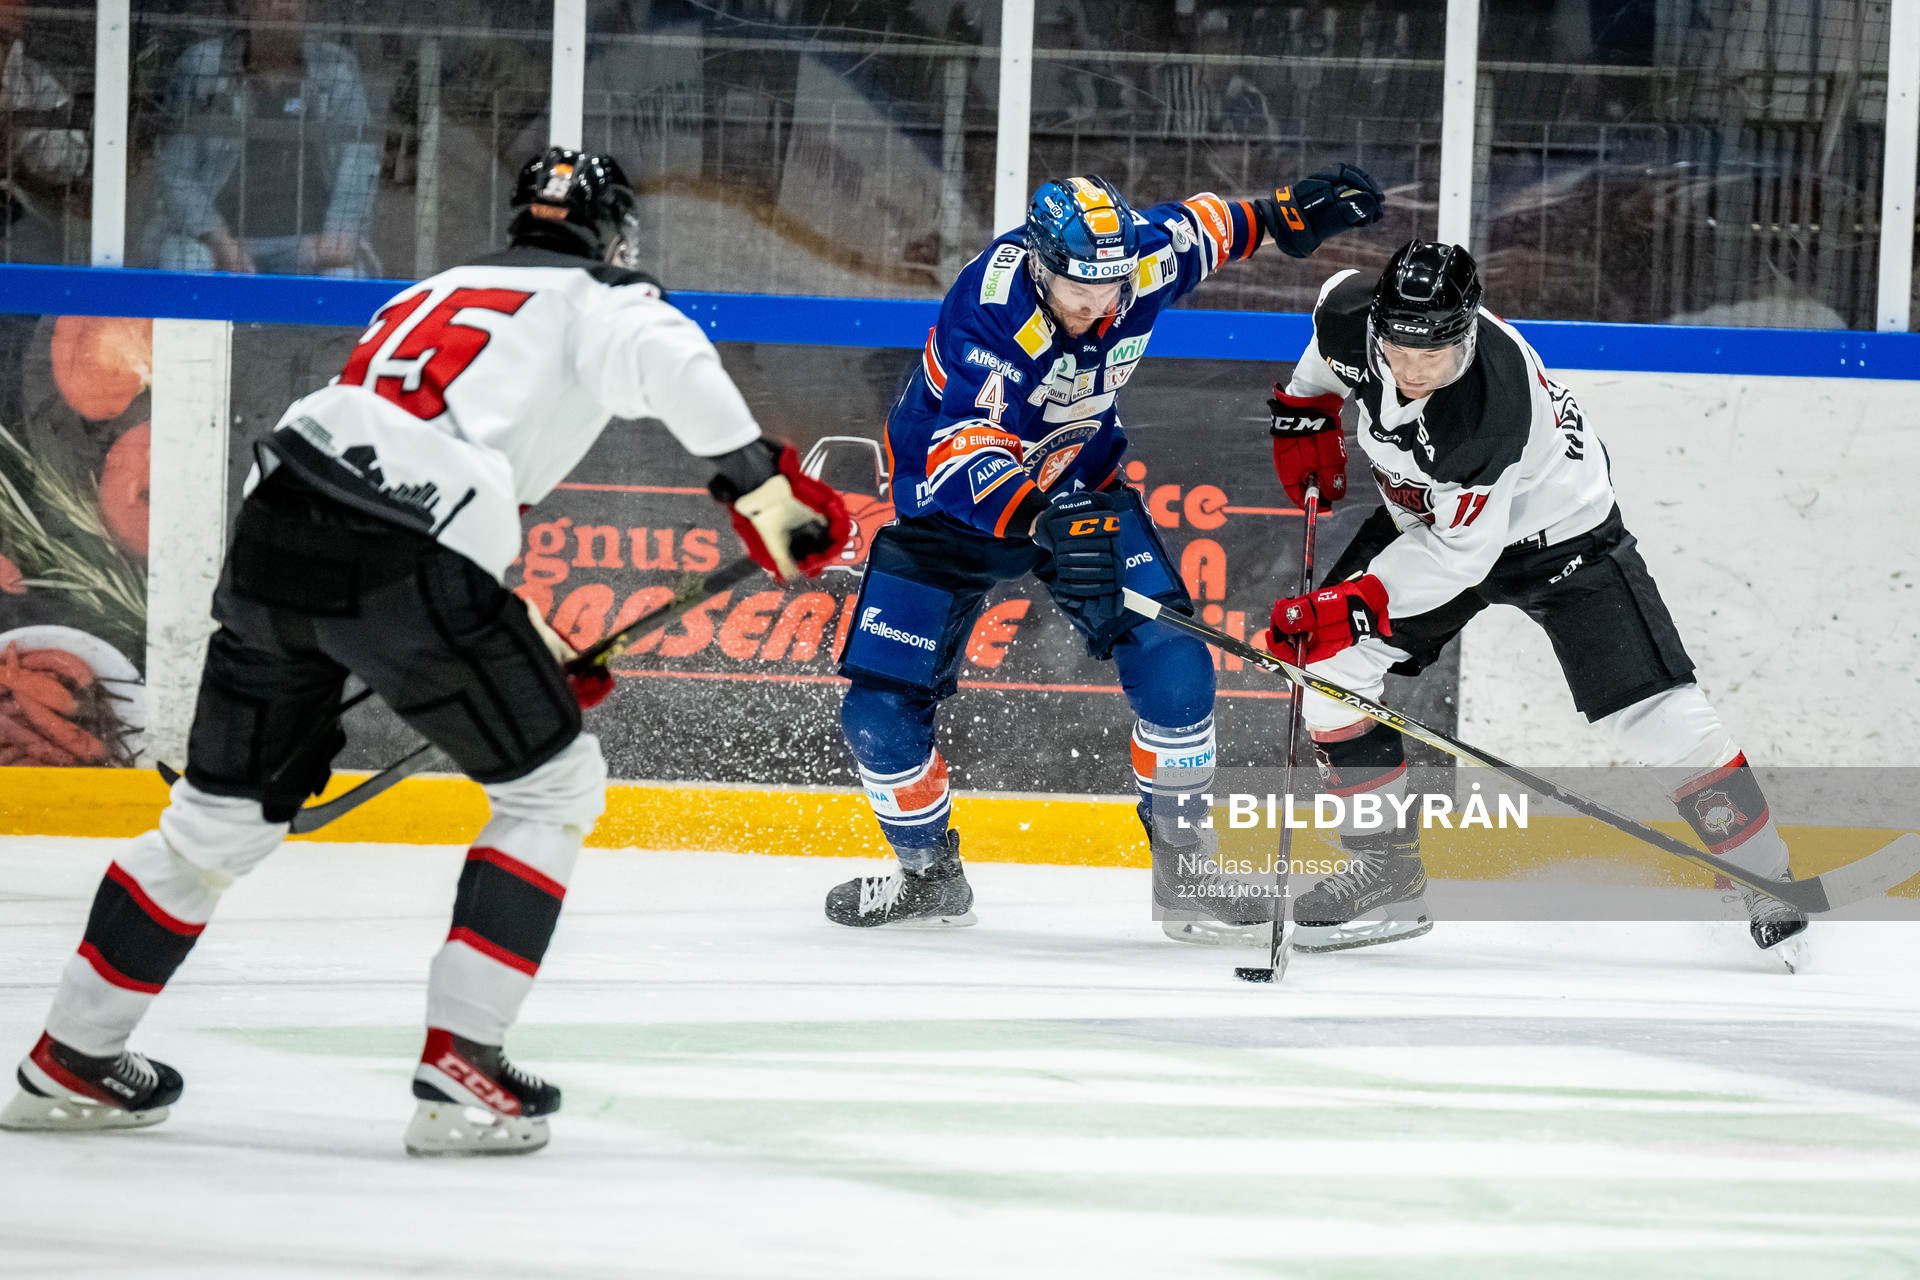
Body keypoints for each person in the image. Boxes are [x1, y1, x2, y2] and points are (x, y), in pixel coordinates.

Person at [0, 147, 849, 1153]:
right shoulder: (604, 297)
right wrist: (764, 488)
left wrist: (522, 639)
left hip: (279, 527)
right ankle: (464, 1072)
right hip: (406, 550)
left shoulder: (434, 289)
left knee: (214, 822)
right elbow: (674, 364)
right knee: (553, 788)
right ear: (615, 237)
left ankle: (69, 1057)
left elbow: (400, 456)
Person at [825, 167, 1384, 931]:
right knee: (878, 716)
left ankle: (1187, 869)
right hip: (949, 511)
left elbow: (1207, 227)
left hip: (1078, 487)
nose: (1097, 309)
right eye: (1078, 293)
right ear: (1040, 267)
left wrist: (1285, 214)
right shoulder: (990, 308)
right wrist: (1040, 518)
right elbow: (964, 450)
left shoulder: (1136, 263)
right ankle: (929, 878)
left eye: (1110, 290)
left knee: (1178, 669)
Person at [1262, 238, 1808, 966]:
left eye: (1435, 356)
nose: (1415, 371)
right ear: (1378, 325)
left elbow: (1463, 558)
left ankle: (1765, 874)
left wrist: (1355, 606)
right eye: (1400, 351)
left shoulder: (1487, 410)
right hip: (1429, 521)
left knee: (1654, 714)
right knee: (1327, 668)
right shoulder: (1349, 311)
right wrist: (1304, 410)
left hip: (1560, 535)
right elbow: (1324, 364)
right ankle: (1386, 870)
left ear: (1467, 333)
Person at [141, 0, 379, 276]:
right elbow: (175, 171)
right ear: (245, 6)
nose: (286, 7)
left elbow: (358, 157)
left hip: (310, 243)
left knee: (344, 278)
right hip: (213, 239)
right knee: (184, 267)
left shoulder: (336, 68)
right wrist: (218, 239)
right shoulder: (202, 65)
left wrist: (341, 231)